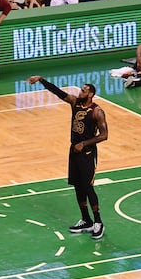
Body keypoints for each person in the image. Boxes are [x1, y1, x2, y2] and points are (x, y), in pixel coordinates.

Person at [26, 76, 108, 239]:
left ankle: (98, 222)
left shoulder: (97, 112)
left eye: (84, 91)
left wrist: (84, 143)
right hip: (74, 151)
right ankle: (86, 220)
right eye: (81, 90)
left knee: (88, 187)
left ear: (91, 94)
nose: (80, 92)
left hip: (87, 153)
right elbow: (58, 92)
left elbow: (104, 135)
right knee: (78, 186)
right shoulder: (74, 102)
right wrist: (41, 80)